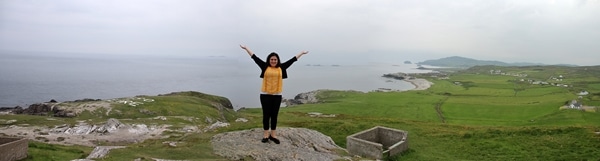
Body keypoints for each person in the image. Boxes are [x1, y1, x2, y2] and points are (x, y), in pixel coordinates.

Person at [240, 44, 308, 144]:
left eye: (275, 60)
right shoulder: (264, 66)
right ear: (269, 60)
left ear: (277, 60)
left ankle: (273, 134)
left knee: (274, 115)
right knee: (266, 115)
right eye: (271, 59)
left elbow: (293, 60)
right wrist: (246, 48)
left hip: (277, 95)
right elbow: (254, 57)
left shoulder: (282, 67)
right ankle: (266, 134)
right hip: (265, 94)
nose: (273, 61)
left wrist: (301, 53)